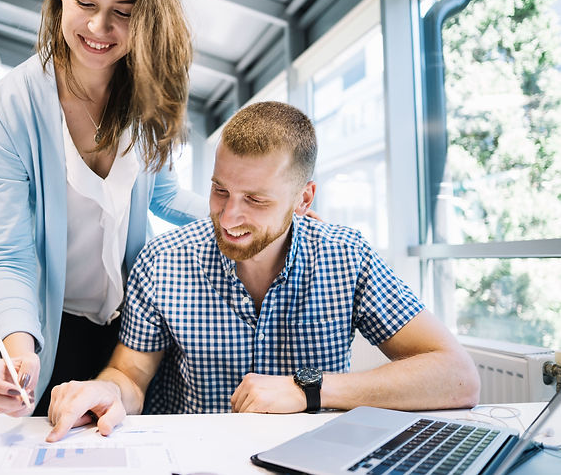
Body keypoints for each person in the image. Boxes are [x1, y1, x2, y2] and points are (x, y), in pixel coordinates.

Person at [45, 101, 481, 442]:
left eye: (256, 200)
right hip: (195, 456)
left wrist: (309, 390)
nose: (229, 217)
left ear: (303, 199)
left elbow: (457, 376)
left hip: (310, 458)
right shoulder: (164, 259)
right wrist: (108, 392)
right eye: (220, 190)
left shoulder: (345, 256)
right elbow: (130, 374)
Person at [0, 0, 209, 417]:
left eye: (123, 12)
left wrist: (250, 214)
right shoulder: (11, 106)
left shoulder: (149, 90)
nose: (100, 27)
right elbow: (10, 253)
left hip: (136, 331)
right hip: (51, 327)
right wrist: (19, 351)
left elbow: (165, 198)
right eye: (84, 2)